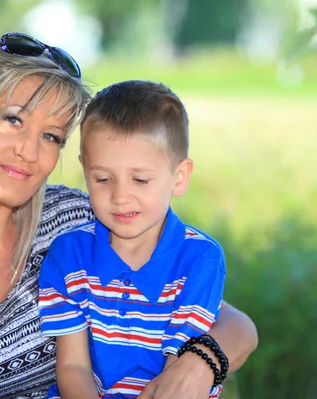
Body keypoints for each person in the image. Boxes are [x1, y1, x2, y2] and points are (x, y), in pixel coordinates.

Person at [0, 32, 257, 399]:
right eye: (14, 119)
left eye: (50, 136)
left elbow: (235, 324)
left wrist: (197, 365)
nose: (30, 151)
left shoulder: (77, 218)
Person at [38, 80, 228, 399]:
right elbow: (74, 368)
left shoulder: (200, 259)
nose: (120, 197)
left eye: (140, 180)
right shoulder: (68, 255)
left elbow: (176, 375)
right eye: (103, 179)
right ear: (85, 168)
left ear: (179, 177)